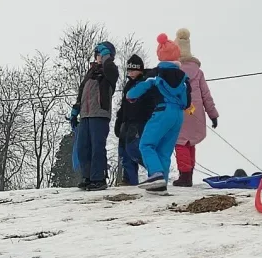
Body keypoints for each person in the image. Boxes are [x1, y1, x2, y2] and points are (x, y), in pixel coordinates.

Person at [126, 33, 192, 193]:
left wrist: (131, 95)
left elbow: (137, 90)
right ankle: (161, 186)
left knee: (146, 144)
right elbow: (186, 102)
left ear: (161, 56)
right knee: (164, 151)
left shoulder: (156, 74)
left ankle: (156, 174)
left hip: (162, 111)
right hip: (178, 116)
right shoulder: (184, 78)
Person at [172, 29, 219, 187]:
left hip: (180, 109)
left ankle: (184, 176)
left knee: (180, 142)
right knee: (190, 142)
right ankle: (189, 174)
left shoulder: (174, 71)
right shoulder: (198, 72)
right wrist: (213, 114)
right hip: (196, 111)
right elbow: (206, 95)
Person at [69, 42, 119, 191]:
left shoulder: (110, 72)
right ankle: (88, 176)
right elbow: (82, 91)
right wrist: (76, 110)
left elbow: (110, 69)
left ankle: (98, 178)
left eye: (101, 55)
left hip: (100, 114)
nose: (99, 57)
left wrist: (106, 57)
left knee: (97, 146)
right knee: (83, 147)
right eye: (97, 55)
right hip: (85, 114)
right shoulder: (90, 73)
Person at [114, 55, 157, 186]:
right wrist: (119, 120)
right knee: (124, 152)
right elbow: (123, 105)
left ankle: (155, 170)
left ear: (140, 70)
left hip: (140, 121)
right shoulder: (128, 85)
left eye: (134, 70)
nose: (131, 73)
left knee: (133, 149)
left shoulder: (146, 83)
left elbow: (150, 104)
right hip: (127, 121)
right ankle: (129, 179)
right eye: (129, 70)